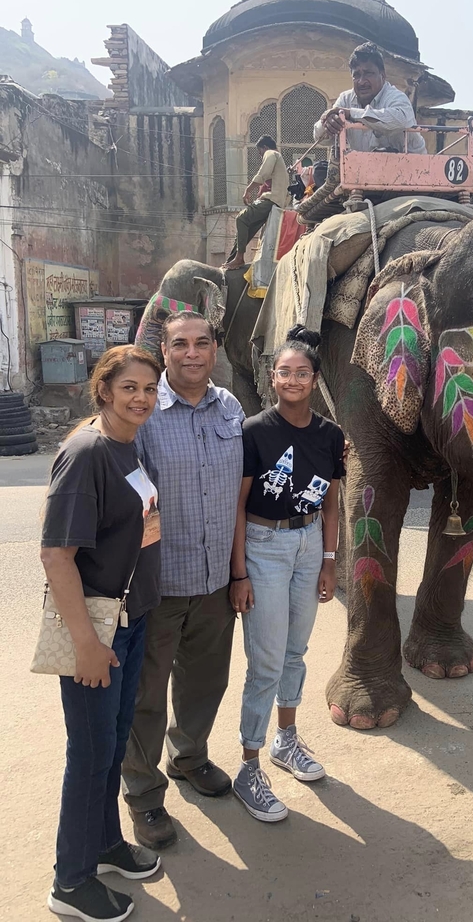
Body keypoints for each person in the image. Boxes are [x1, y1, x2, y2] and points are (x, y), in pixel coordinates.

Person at [41, 344, 163, 922]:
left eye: (148, 388)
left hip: (130, 619)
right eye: (129, 388)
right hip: (96, 628)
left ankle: (105, 844)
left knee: (113, 744)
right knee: (90, 753)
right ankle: (71, 879)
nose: (140, 398)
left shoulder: (127, 445)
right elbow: (56, 556)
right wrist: (88, 645)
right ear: (104, 390)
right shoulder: (87, 451)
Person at [122, 311, 245, 849]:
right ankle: (145, 797)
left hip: (216, 580)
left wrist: (239, 572)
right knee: (145, 694)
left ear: (214, 349)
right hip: (160, 584)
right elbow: (132, 505)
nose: (191, 353)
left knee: (205, 681)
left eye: (201, 343)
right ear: (165, 351)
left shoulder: (231, 407)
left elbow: (240, 496)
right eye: (180, 345)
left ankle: (189, 755)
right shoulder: (145, 412)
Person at [230, 325, 344, 822]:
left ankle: (286, 740)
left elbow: (334, 501)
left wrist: (328, 558)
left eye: (302, 373)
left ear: (315, 379)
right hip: (264, 545)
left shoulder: (330, 434)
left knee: (295, 652)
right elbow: (237, 506)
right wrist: (240, 574)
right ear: (271, 378)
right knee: (267, 662)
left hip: (308, 542)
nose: (293, 379)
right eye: (284, 372)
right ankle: (248, 766)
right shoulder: (254, 431)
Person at [313, 42, 427, 155]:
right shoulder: (346, 99)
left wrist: (352, 114)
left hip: (414, 169)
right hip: (364, 170)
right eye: (357, 75)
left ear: (382, 75)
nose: (362, 82)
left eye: (368, 74)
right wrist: (328, 123)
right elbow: (320, 138)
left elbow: (401, 120)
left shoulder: (396, 97)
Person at [222, 135, 289, 270]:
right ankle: (232, 260)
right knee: (247, 228)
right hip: (276, 202)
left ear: (264, 147)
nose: (260, 156)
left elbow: (262, 174)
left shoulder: (271, 153)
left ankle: (239, 258)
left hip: (272, 200)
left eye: (260, 152)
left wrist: (248, 190)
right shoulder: (279, 160)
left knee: (241, 218)